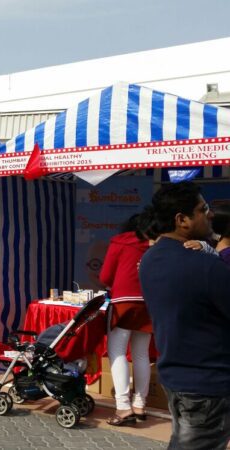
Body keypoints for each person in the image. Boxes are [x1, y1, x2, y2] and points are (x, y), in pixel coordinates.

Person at [139, 182, 230, 449]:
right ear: (182, 220)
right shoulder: (205, 266)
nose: (210, 214)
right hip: (207, 384)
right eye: (203, 209)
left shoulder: (150, 259)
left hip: (176, 377)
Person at [99, 214, 153, 426]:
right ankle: (140, 404)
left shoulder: (119, 242)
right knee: (141, 354)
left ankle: (123, 407)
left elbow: (105, 276)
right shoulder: (155, 245)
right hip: (147, 303)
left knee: (117, 352)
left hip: (122, 302)